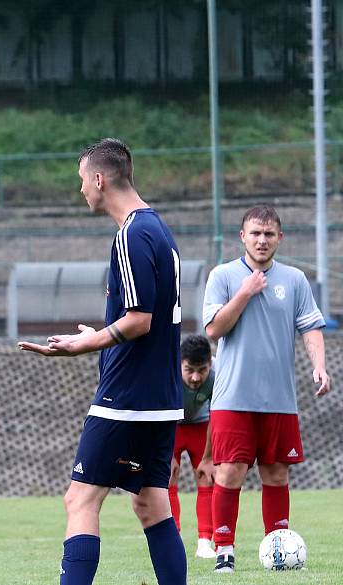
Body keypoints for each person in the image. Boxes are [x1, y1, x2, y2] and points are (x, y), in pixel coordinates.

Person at [18, 138, 187, 585]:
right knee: (150, 502)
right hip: (162, 396)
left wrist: (83, 346)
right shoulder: (158, 229)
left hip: (126, 397)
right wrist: (99, 334)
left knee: (80, 500)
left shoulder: (131, 234)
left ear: (99, 179)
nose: (81, 192)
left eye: (81, 181)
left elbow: (139, 321)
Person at [203, 204, 330, 573]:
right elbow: (213, 330)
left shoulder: (294, 280)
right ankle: (224, 549)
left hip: (279, 399)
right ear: (242, 236)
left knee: (277, 474)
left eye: (269, 234)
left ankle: (279, 546)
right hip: (233, 397)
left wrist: (319, 366)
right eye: (255, 233)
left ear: (279, 238)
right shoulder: (223, 276)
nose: (262, 240)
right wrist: (245, 292)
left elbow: (310, 327)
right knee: (230, 472)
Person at [169, 334, 215, 559]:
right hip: (170, 426)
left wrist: (208, 458)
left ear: (210, 364)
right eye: (189, 370)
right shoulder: (166, 370)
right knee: (167, 476)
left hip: (201, 425)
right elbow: (157, 409)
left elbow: (217, 414)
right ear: (180, 363)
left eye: (202, 370)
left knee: (208, 477)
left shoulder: (217, 374)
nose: (196, 377)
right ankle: (172, 540)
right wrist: (166, 452)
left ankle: (205, 543)